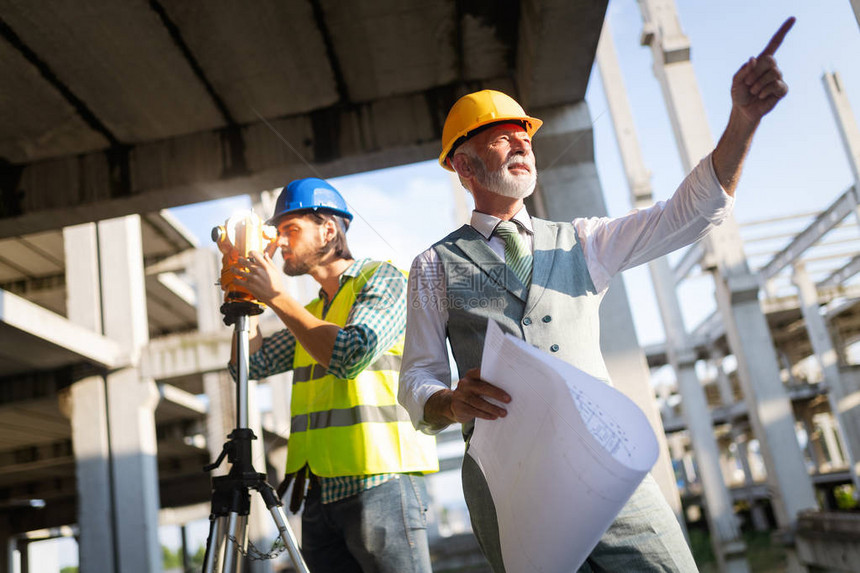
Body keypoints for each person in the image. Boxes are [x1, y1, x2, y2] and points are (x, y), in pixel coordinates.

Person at [398, 18, 795, 573]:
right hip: (509, 488)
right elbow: (416, 378)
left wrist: (743, 123)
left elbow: (690, 214)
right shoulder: (433, 266)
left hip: (608, 471)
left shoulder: (583, 241)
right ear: (464, 166)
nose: (522, 142)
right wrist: (447, 402)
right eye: (502, 134)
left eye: (525, 133)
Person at [230, 177, 438, 573]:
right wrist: (248, 298)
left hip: (380, 484)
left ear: (329, 230)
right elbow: (248, 365)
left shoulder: (384, 279)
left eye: (291, 229)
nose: (282, 242)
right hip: (319, 493)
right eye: (278, 232)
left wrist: (277, 297)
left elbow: (349, 354)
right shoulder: (309, 311)